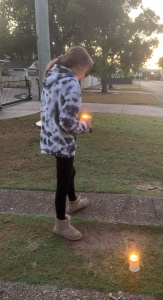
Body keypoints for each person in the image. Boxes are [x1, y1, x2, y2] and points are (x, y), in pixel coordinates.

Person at [40, 46, 94, 241]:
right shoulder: (71, 83)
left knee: (70, 172)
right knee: (63, 181)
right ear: (79, 66)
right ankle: (61, 224)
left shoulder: (51, 76)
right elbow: (67, 122)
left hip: (50, 135)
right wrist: (85, 127)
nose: (84, 75)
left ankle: (73, 202)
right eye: (86, 71)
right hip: (62, 140)